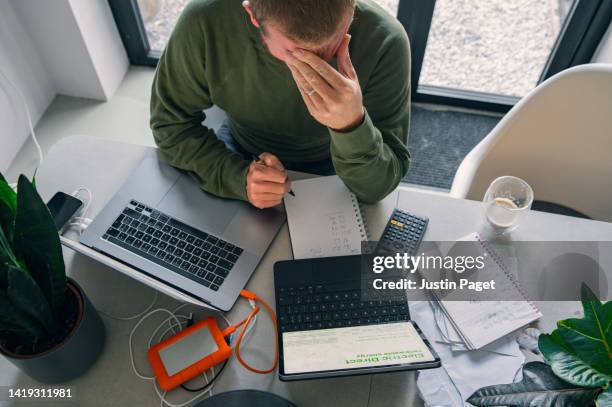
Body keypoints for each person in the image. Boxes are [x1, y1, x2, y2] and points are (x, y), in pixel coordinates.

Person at [150, 0, 411, 209]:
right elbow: (170, 124)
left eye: (332, 45)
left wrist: (351, 125)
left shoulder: (386, 41)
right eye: (294, 53)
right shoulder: (205, 21)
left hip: (337, 166)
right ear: (252, 15)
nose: (315, 66)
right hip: (240, 150)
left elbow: (378, 188)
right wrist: (237, 178)